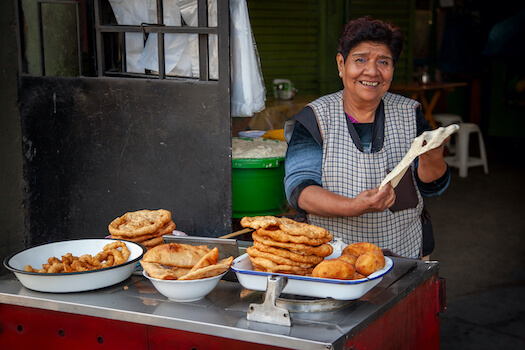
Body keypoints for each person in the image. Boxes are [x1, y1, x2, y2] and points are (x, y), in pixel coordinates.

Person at [283, 16, 451, 259]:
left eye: (383, 62)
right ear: (341, 64)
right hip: (332, 257)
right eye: (360, 60)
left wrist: (433, 155)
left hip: (404, 254)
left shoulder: (409, 113)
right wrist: (353, 207)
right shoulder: (316, 118)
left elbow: (431, 185)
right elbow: (300, 190)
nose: (372, 72)